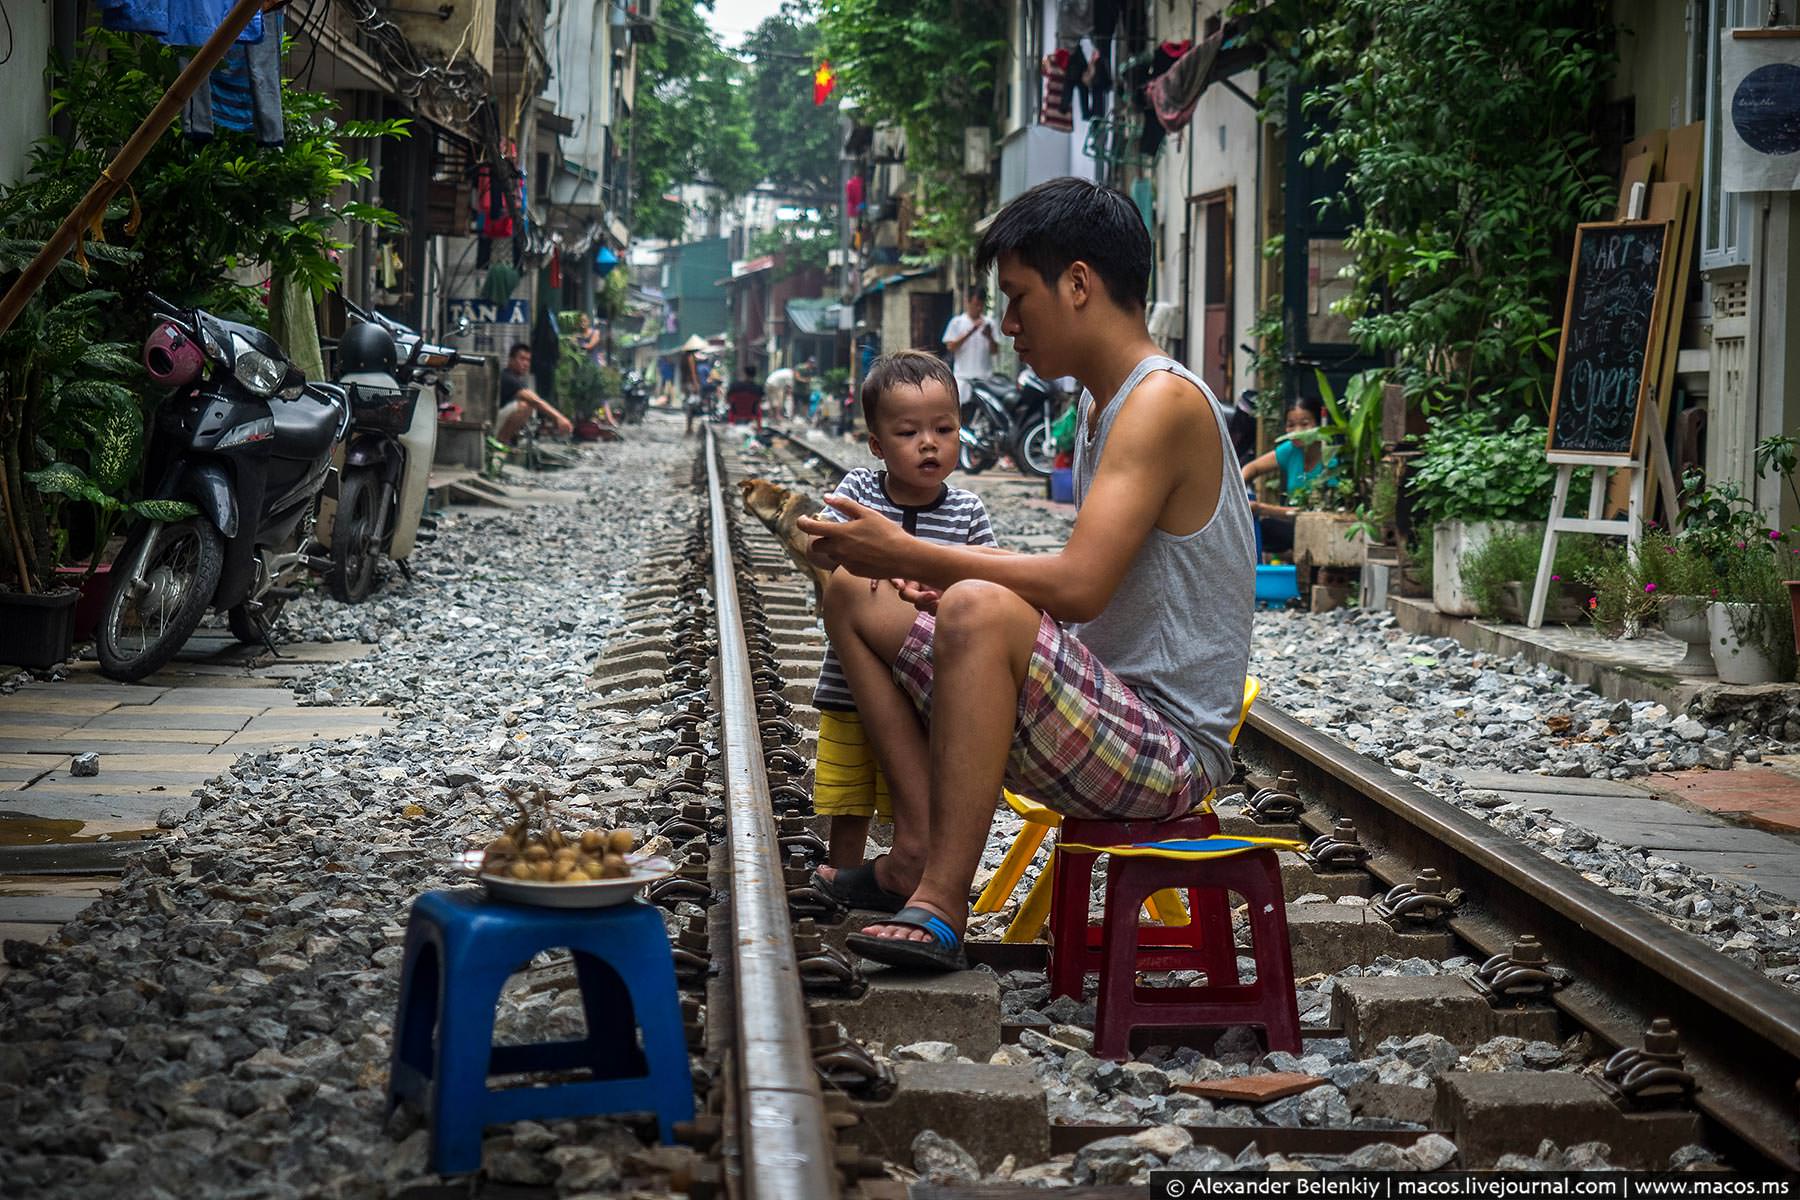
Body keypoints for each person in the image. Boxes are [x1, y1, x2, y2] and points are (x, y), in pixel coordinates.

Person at [797, 177, 1254, 971]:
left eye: (1016, 299)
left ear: (1078, 284)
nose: (1006, 327)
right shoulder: (1102, 405)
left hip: (1161, 750)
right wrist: (917, 576)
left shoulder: (1160, 404)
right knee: (853, 594)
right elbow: (1072, 588)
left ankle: (940, 899)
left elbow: (1078, 587)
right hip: (1095, 715)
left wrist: (915, 555)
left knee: (975, 605)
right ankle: (913, 849)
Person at [802, 351, 995, 885]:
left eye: (944, 428)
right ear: (878, 445)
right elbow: (821, 546)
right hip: (852, 682)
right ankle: (842, 875)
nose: (929, 443)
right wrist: (839, 552)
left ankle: (917, 872)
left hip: (924, 682)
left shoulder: (967, 512)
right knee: (851, 791)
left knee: (913, 785)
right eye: (909, 432)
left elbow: (986, 582)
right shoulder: (861, 491)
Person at [1239, 398, 1328, 557]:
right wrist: (1239, 489)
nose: (1297, 430)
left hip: (1321, 531)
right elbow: (1252, 468)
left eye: (1305, 423)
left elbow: (1313, 514)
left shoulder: (1331, 458)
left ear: (1318, 425)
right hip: (1291, 527)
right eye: (1291, 425)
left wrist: (1261, 508)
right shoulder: (1291, 450)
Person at [496, 343, 573, 443]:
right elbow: (535, 401)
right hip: (492, 423)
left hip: (498, 420)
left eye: (528, 360)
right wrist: (559, 418)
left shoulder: (517, 380)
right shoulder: (508, 377)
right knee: (526, 406)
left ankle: (509, 441)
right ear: (511, 360)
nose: (525, 363)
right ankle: (501, 442)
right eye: (522, 359)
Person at [942, 286, 1000, 403]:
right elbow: (951, 346)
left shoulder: (989, 323)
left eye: (981, 305)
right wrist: (971, 331)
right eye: (975, 304)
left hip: (984, 378)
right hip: (963, 378)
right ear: (967, 302)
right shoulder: (957, 322)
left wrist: (989, 336)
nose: (978, 308)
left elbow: (995, 351)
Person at [681, 350, 704, 435]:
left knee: (689, 406)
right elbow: (693, 373)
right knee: (691, 407)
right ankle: (689, 428)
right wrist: (696, 384)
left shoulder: (683, 358)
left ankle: (689, 427)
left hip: (685, 384)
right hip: (691, 384)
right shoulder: (690, 357)